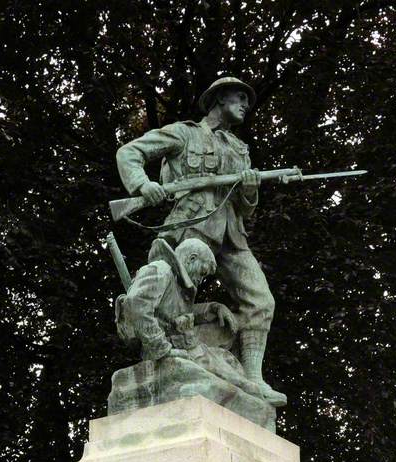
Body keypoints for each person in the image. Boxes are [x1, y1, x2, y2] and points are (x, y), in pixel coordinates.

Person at [115, 76, 282, 406]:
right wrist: (142, 185)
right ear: (220, 99)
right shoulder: (184, 133)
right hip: (190, 225)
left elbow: (247, 207)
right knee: (171, 298)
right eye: (238, 97)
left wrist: (249, 186)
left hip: (231, 234)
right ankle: (167, 354)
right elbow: (129, 152)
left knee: (261, 300)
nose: (245, 104)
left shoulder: (239, 149)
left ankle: (253, 378)